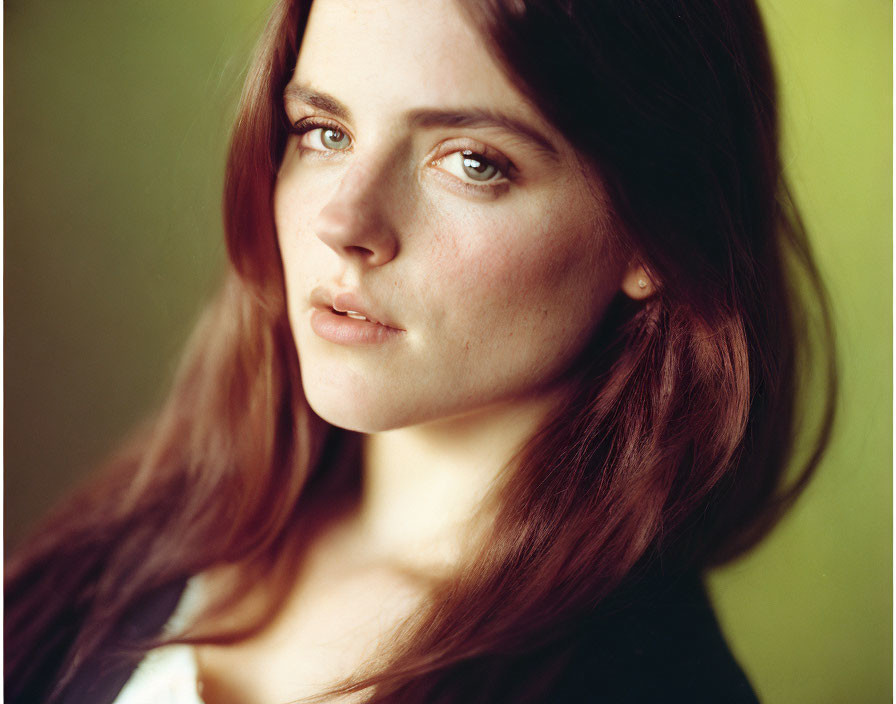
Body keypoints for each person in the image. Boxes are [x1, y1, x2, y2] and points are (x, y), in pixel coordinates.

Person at [5, 0, 837, 702]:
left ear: (657, 232)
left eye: (473, 161)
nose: (344, 221)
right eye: (323, 131)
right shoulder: (133, 542)